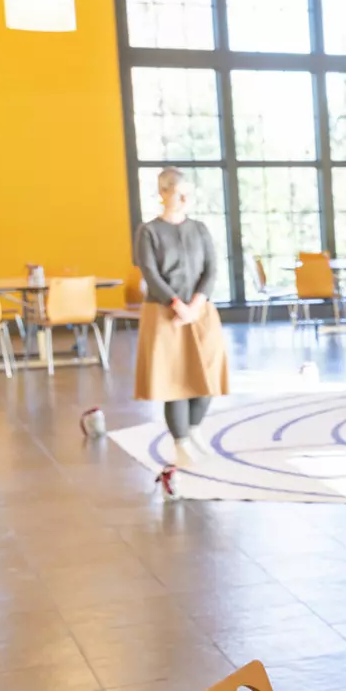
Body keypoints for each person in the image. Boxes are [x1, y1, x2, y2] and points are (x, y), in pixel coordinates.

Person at [134, 167, 229, 466]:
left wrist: (196, 304)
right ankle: (180, 442)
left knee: (208, 373)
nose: (186, 198)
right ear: (163, 193)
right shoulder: (148, 231)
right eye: (179, 192)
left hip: (201, 312)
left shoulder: (200, 228)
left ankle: (194, 429)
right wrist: (178, 305)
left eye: (188, 192)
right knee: (174, 379)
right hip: (164, 315)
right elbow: (150, 272)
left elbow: (211, 269)